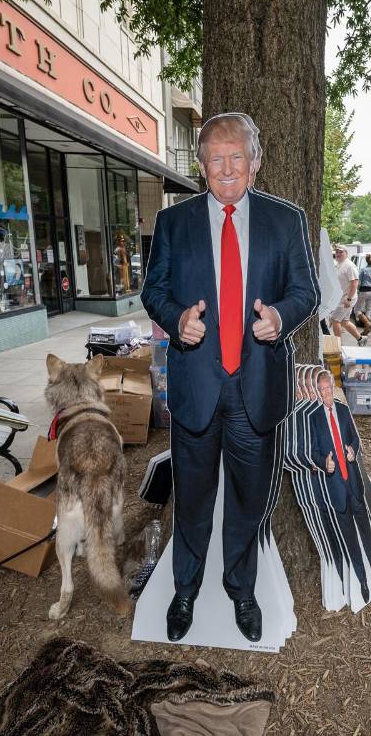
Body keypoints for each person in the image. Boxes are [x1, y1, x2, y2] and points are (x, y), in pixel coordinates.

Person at [141, 112, 319, 644]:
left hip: (256, 388)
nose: (225, 168)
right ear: (200, 165)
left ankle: (242, 588)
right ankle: (185, 591)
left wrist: (280, 318)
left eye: (235, 157)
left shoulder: (286, 222)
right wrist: (177, 321)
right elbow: (155, 291)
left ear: (255, 162)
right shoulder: (175, 223)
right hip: (197, 386)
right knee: (192, 499)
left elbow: (305, 292)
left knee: (248, 498)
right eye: (214, 158)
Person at [310, 370, 371, 602]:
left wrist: (353, 450)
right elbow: (313, 452)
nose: (327, 393)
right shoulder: (313, 418)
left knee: (365, 529)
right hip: (335, 488)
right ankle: (361, 579)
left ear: (333, 388)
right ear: (317, 391)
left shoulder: (343, 411)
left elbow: (354, 439)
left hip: (353, 482)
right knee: (349, 537)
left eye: (329, 388)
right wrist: (325, 463)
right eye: (323, 389)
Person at [329, 246, 364, 344]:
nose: (338, 254)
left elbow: (354, 282)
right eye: (337, 252)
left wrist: (348, 299)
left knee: (335, 320)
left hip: (347, 298)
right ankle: (361, 339)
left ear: (346, 253)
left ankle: (338, 346)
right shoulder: (339, 264)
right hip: (341, 298)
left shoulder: (349, 265)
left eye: (341, 252)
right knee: (345, 321)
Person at [354, 254, 371, 336]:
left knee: (356, 310)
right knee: (369, 310)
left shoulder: (363, 270)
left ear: (366, 261)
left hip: (364, 290)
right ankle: (367, 327)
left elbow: (359, 282)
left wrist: (357, 291)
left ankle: (368, 323)